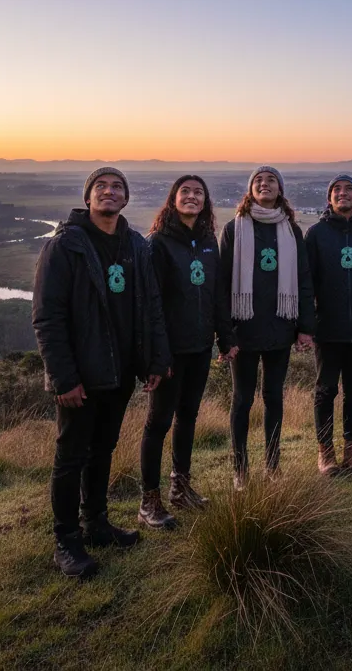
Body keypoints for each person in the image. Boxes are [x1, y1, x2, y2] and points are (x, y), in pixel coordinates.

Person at [32, 167, 169, 578]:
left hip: (121, 372)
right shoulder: (65, 246)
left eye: (117, 188)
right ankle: (66, 542)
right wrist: (63, 378)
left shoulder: (134, 244)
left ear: (126, 198)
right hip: (82, 376)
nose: (109, 192)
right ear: (88, 197)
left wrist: (154, 361)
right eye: (101, 187)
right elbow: (48, 318)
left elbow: (150, 307)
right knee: (70, 456)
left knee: (103, 450)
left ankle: (96, 523)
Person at [138, 175, 237, 529]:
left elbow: (217, 295)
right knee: (158, 422)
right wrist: (157, 356)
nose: (192, 197)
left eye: (198, 193)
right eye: (186, 192)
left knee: (188, 418)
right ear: (173, 199)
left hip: (200, 348)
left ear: (205, 201)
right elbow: (152, 306)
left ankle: (180, 487)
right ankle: (150, 500)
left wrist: (225, 340)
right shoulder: (158, 244)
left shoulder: (209, 242)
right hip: (170, 353)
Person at [218, 166, 315, 488]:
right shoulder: (234, 229)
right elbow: (222, 284)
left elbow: (303, 280)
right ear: (250, 189)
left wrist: (304, 327)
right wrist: (225, 333)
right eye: (258, 180)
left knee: (274, 398)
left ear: (280, 189)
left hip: (279, 326)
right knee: (242, 399)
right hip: (243, 327)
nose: (264, 183)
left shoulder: (290, 230)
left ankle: (272, 467)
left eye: (271, 179)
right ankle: (240, 470)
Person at [304, 174, 352, 475]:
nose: (342, 193)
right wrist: (307, 325)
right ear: (329, 199)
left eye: (349, 189)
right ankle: (326, 452)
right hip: (327, 328)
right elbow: (307, 284)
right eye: (336, 189)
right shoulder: (316, 234)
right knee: (325, 390)